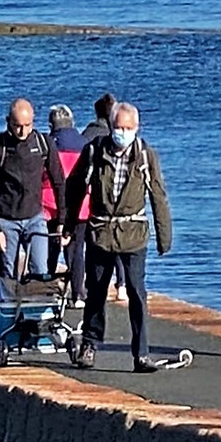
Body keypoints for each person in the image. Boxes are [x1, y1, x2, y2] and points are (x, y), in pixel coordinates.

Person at [61, 102, 173, 372]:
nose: (122, 132)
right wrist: (68, 225)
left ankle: (141, 354)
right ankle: (89, 344)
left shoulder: (146, 156)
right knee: (96, 291)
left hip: (133, 233)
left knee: (136, 291)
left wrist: (163, 236)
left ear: (136, 128)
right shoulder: (94, 151)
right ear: (111, 127)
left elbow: (158, 195)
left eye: (128, 128)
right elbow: (75, 187)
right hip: (101, 232)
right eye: (118, 127)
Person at [0, 99, 67, 300]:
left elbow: (60, 183)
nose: (22, 131)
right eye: (17, 126)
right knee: (8, 274)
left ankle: (36, 319)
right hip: (6, 220)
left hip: (35, 218)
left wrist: (62, 220)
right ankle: (6, 321)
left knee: (40, 271)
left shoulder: (44, 144)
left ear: (33, 122)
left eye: (27, 126)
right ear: (8, 122)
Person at [42, 104, 90, 304]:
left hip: (50, 203)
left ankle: (47, 289)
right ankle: (77, 294)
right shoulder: (85, 143)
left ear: (52, 124)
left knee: (50, 249)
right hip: (81, 205)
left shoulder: (47, 144)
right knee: (76, 250)